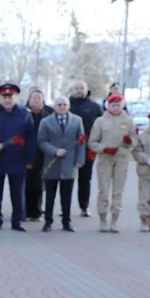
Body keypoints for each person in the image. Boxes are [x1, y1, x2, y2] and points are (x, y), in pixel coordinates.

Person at [0, 83, 35, 231]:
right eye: (4, 97)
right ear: (0, 97)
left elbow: (30, 138)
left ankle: (17, 221)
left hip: (17, 159)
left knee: (17, 192)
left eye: (10, 97)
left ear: (16, 97)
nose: (7, 100)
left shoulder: (24, 115)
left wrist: (30, 159)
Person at [88, 93, 137, 232]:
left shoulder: (128, 120)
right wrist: (104, 148)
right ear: (108, 106)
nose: (116, 108)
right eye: (113, 105)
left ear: (122, 105)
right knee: (103, 190)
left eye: (118, 105)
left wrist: (130, 142)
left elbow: (135, 140)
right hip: (105, 159)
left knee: (118, 191)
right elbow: (92, 142)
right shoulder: (100, 121)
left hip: (121, 159)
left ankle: (115, 219)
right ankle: (103, 218)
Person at [36, 96, 85, 232]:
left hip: (69, 163)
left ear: (69, 106)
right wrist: (54, 151)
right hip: (52, 163)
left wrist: (80, 160)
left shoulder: (77, 120)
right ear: (54, 106)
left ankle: (66, 222)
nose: (62, 107)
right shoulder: (46, 122)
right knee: (50, 195)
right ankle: (48, 221)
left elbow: (81, 141)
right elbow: (41, 141)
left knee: (67, 195)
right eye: (59, 105)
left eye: (64, 104)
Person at [69, 80, 103, 218]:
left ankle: (84, 206)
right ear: (72, 90)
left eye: (81, 88)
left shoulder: (94, 107)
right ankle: (63, 207)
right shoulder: (66, 105)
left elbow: (101, 126)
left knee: (85, 179)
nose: (79, 90)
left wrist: (97, 145)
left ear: (86, 89)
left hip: (88, 148)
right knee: (66, 178)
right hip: (69, 148)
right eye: (76, 88)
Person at [24, 89, 54, 222]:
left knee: (39, 183)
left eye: (39, 98)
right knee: (25, 182)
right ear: (29, 100)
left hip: (43, 153)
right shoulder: (23, 113)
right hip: (26, 152)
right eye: (33, 98)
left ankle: (36, 211)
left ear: (43, 99)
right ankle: (24, 210)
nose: (36, 100)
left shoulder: (49, 113)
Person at [133, 111, 150, 232]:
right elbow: (136, 151)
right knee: (144, 197)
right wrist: (146, 159)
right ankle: (144, 219)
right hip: (145, 170)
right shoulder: (143, 135)